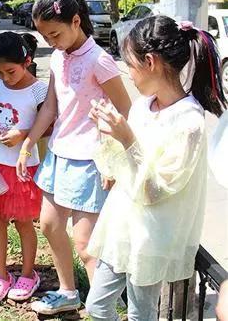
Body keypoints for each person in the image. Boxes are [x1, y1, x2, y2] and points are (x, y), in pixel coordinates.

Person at [84, 16, 226, 321]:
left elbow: (154, 190)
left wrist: (126, 139)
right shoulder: (142, 106)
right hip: (122, 225)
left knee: (141, 314)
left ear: (150, 62)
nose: (129, 75)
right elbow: (121, 168)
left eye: (130, 65)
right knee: (96, 305)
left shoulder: (189, 121)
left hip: (151, 237)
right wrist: (109, 134)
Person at [16, 0, 131, 315]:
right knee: (50, 225)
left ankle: (103, 309)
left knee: (86, 244)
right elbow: (51, 106)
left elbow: (124, 110)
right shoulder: (57, 56)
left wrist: (114, 158)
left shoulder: (99, 60)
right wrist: (29, 142)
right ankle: (68, 291)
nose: (51, 40)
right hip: (59, 154)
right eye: (45, 35)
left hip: (92, 160)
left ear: (76, 21)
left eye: (55, 33)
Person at [0, 32, 48, 304]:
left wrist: (23, 134)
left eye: (11, 71)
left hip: (22, 168)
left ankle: (29, 274)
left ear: (27, 61)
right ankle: (1, 275)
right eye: (0, 71)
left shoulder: (38, 90)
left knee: (23, 222)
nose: (6, 78)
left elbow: (49, 125)